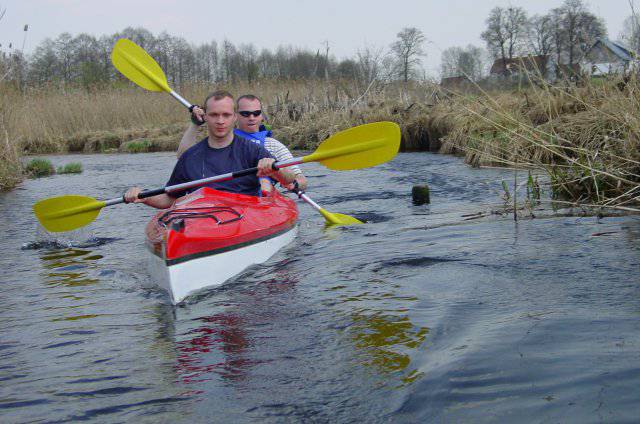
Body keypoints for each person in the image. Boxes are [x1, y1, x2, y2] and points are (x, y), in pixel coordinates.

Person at [124, 91, 295, 208]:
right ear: (205, 117)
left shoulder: (252, 150)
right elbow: (170, 197)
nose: (220, 121)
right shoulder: (190, 156)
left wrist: (274, 168)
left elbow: (289, 179)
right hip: (202, 218)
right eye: (214, 115)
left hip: (244, 215)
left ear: (234, 117)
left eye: (226, 115)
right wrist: (143, 196)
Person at [178, 94, 307, 191]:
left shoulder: (274, 146)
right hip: (221, 200)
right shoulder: (221, 140)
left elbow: (300, 179)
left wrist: (293, 184)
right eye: (245, 114)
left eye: (256, 113)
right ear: (236, 116)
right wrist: (195, 124)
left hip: (261, 203)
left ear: (261, 116)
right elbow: (183, 158)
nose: (251, 118)